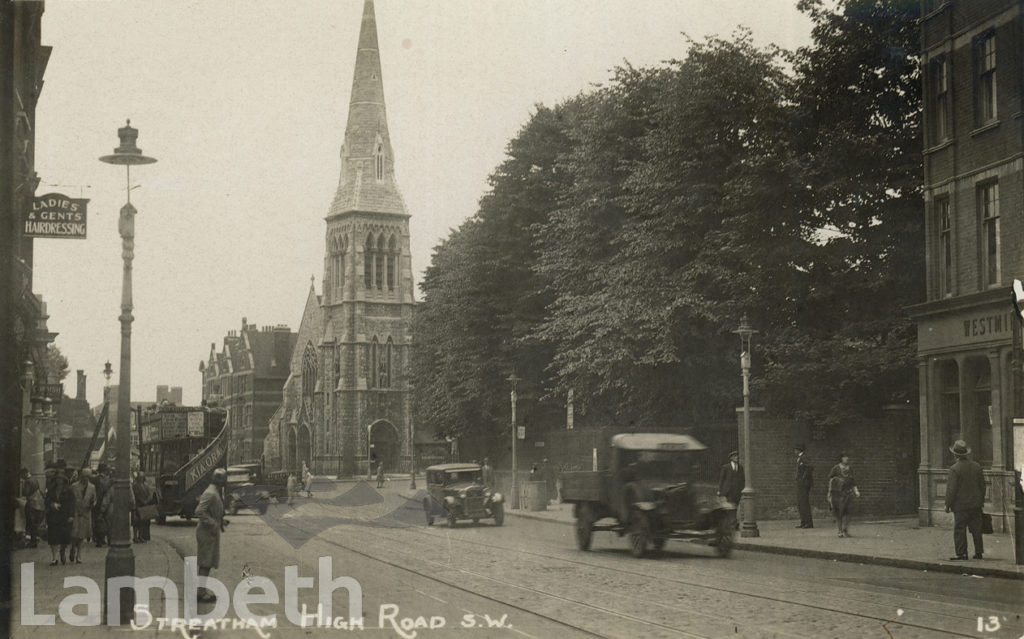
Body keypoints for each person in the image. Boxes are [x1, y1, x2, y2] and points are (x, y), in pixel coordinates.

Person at [945, 439, 986, 560]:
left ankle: (962, 553)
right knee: (977, 529)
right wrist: (980, 500)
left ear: (955, 454)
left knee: (960, 529)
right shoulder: (977, 466)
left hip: (960, 506)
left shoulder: (954, 469)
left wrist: (947, 505)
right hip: (976, 505)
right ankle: (979, 552)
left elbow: (951, 490)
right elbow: (982, 486)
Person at [194, 467, 229, 602]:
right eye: (224, 479)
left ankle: (202, 590)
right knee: (205, 562)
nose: (226, 482)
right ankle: (200, 593)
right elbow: (199, 511)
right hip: (206, 532)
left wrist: (221, 521)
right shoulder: (211, 493)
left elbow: (211, 511)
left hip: (210, 532)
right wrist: (213, 523)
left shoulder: (215, 492)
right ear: (219, 480)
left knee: (207, 562)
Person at [45, 469, 75, 566]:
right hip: (53, 516)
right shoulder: (50, 490)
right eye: (57, 479)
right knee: (53, 538)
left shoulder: (69, 490)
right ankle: (54, 558)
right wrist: (51, 504)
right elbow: (46, 501)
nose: (59, 481)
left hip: (64, 516)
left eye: (61, 479)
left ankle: (62, 550)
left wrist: (71, 515)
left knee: (65, 536)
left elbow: (72, 504)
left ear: (63, 480)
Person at [827, 453, 860, 537]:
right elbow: (830, 478)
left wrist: (856, 490)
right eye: (845, 457)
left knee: (849, 511)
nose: (847, 458)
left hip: (848, 493)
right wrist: (837, 482)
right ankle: (840, 530)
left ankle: (845, 529)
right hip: (838, 493)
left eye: (847, 457)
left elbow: (853, 481)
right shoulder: (836, 468)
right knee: (839, 512)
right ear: (841, 458)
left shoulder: (850, 468)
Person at [70, 469, 97, 563]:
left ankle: (79, 555)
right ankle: (72, 547)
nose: (86, 479)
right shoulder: (74, 486)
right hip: (76, 512)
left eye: (88, 477)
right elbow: (70, 498)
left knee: (82, 535)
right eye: (85, 477)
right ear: (81, 477)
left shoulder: (92, 487)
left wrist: (93, 504)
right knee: (74, 534)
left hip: (86, 512)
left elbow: (94, 498)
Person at [21, 468, 44, 548]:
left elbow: (26, 493)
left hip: (32, 503)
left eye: (22, 475)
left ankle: (33, 542)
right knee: (35, 523)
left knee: (31, 523)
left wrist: (23, 491)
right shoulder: (34, 479)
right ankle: (33, 540)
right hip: (39, 504)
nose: (21, 477)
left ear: (25, 473)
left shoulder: (28, 481)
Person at [92, 464, 112, 547]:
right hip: (105, 503)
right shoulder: (109, 480)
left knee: (99, 521)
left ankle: (100, 539)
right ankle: (105, 539)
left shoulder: (95, 479)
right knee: (106, 522)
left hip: (98, 502)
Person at [132, 472, 156, 542]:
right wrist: (143, 501)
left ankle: (140, 536)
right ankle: (135, 537)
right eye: (140, 477)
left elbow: (149, 494)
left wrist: (147, 500)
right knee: (136, 522)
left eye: (142, 477)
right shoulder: (135, 485)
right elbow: (136, 494)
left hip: (144, 505)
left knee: (143, 521)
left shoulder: (145, 485)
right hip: (138, 505)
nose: (141, 479)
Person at [795, 445, 814, 528]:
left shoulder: (804, 457)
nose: (794, 451)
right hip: (801, 483)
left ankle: (808, 523)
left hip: (804, 483)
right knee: (801, 502)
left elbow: (809, 468)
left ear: (798, 450)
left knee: (804, 502)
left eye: (795, 449)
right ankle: (804, 522)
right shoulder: (801, 458)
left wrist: (803, 479)